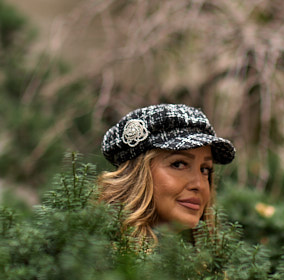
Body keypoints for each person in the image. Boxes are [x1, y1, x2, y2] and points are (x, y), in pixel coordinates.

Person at [98, 103, 236, 243]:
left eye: (205, 169)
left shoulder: (208, 261)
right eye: (178, 164)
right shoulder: (96, 255)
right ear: (137, 175)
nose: (199, 184)